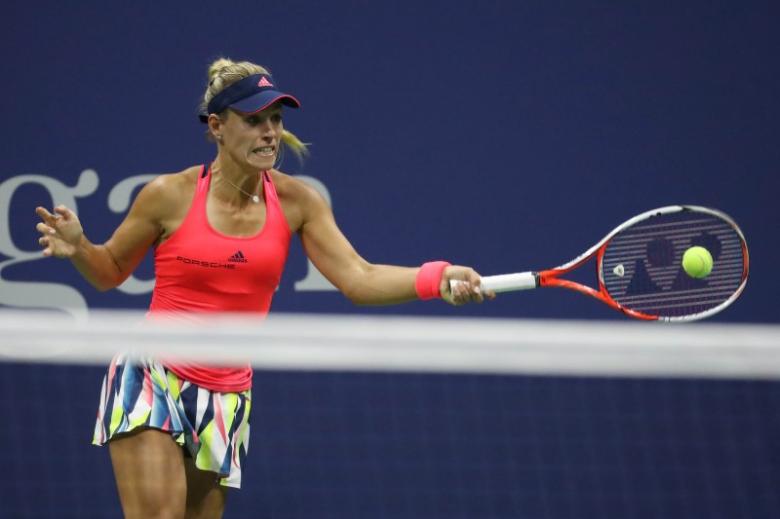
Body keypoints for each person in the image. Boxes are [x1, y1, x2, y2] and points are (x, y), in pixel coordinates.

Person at [35, 58, 491, 519]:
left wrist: (439, 277)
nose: (270, 132)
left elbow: (359, 277)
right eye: (253, 121)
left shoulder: (298, 202)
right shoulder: (168, 195)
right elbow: (110, 270)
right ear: (217, 126)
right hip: (153, 374)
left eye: (275, 119)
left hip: (227, 394)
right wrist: (79, 248)